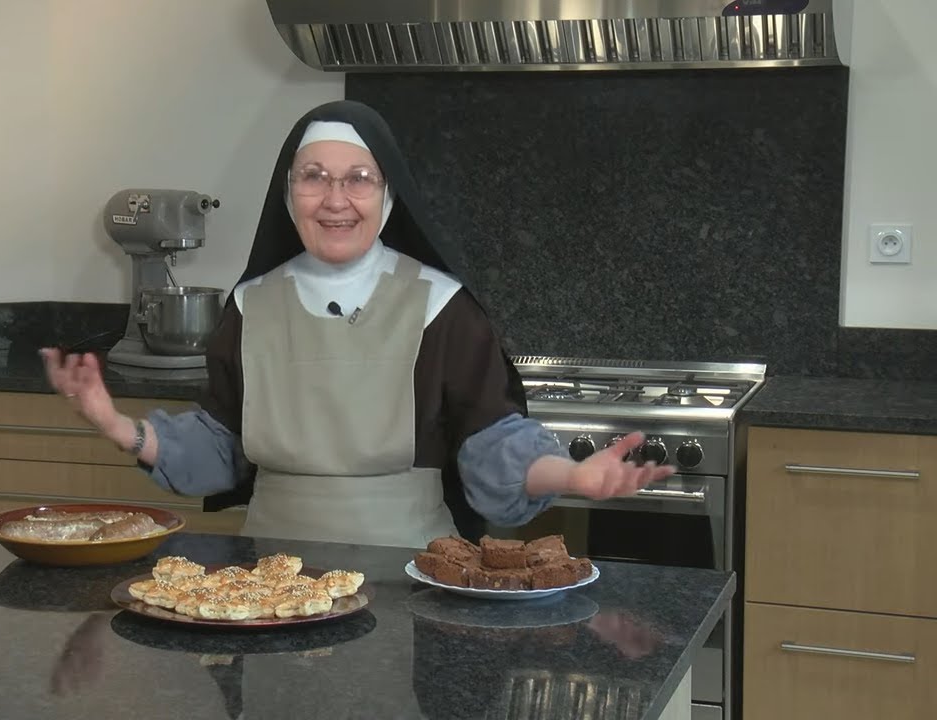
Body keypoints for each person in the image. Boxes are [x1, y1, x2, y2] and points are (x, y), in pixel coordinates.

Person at [40, 100, 675, 549]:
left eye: (358, 180)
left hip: (410, 573)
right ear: (289, 197)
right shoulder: (252, 305)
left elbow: (491, 445)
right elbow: (220, 448)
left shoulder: (439, 304)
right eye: (313, 178)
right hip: (267, 578)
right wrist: (115, 424)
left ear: (388, 197)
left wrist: (571, 475)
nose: (335, 199)